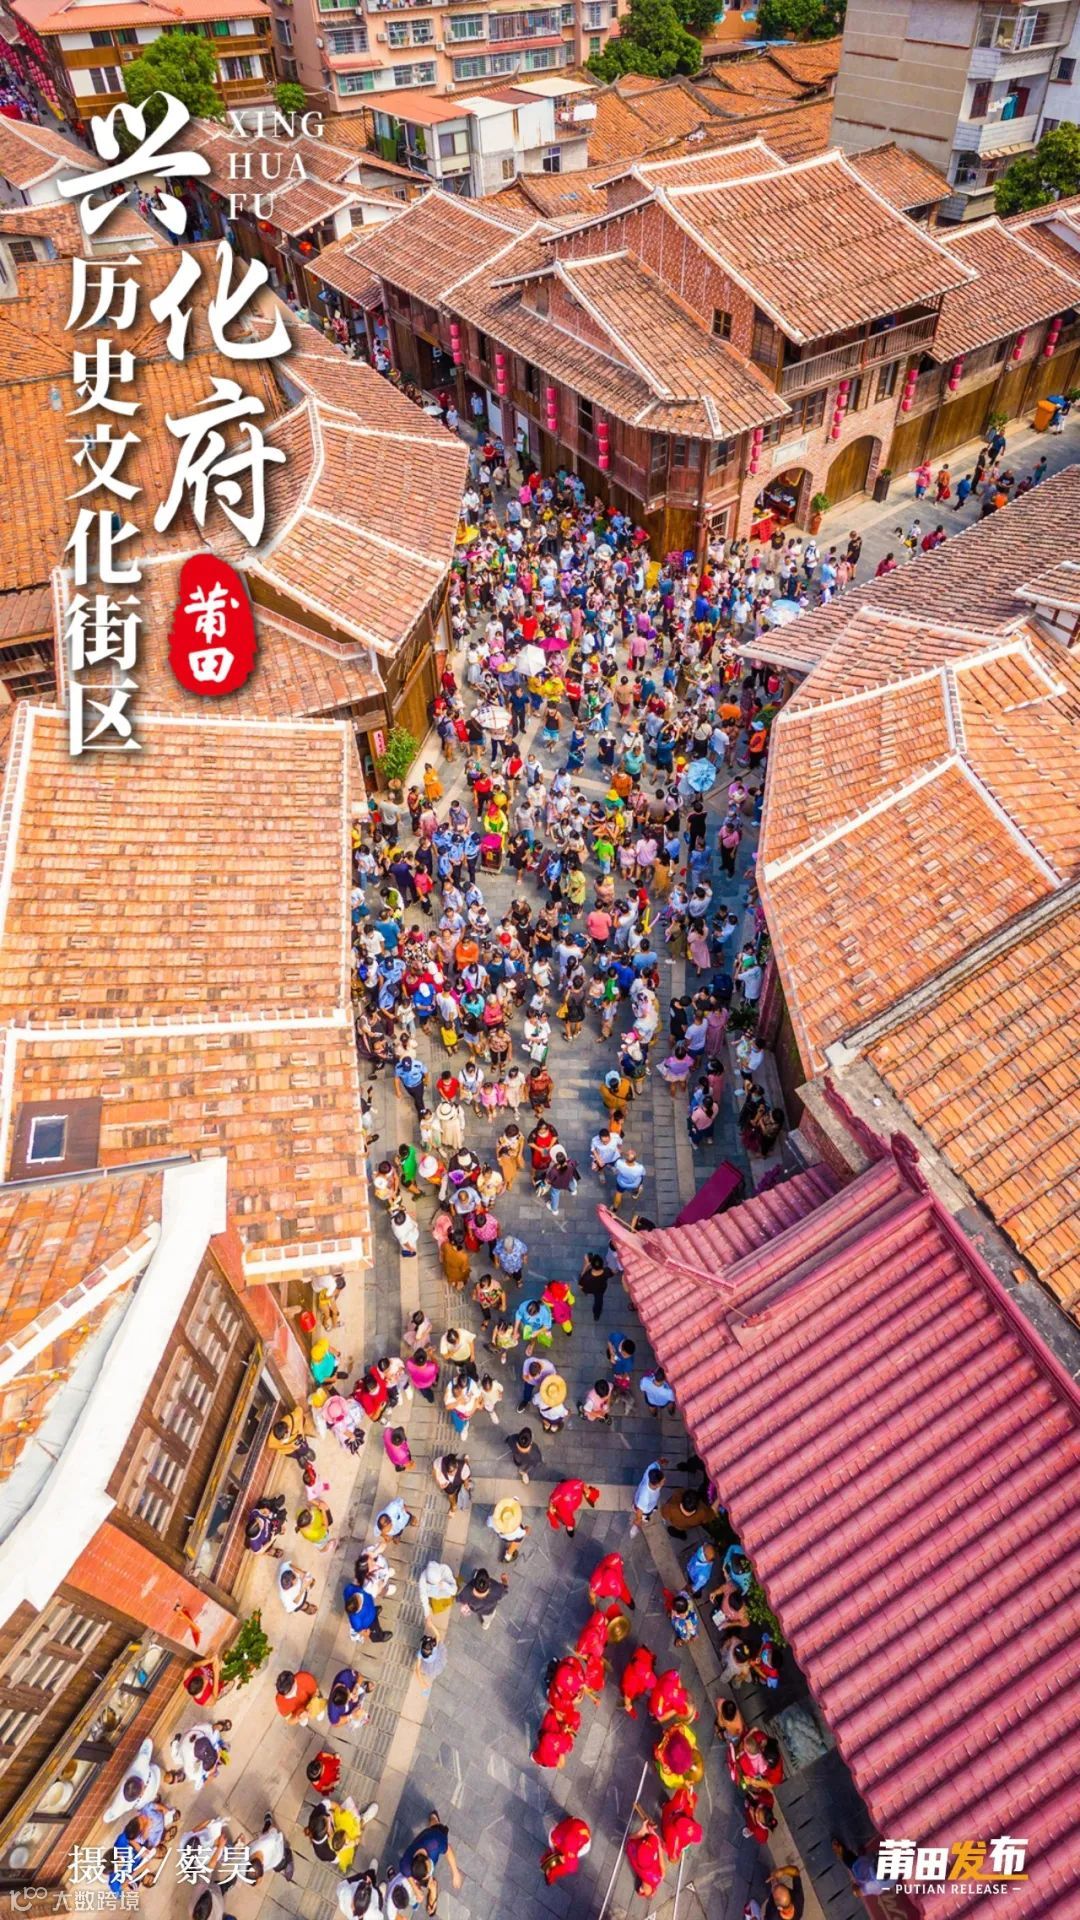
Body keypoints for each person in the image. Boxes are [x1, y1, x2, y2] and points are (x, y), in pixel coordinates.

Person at [540, 1816, 591, 1883]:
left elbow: (572, 1867)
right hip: (577, 1825)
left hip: (579, 1829)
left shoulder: (555, 1839)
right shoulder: (555, 1839)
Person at [457, 1566, 509, 1630]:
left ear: (474, 1583)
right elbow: (504, 1589)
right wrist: (504, 1579)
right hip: (489, 1611)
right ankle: (485, 1626)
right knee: (487, 1619)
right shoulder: (496, 1588)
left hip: (476, 1609)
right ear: (489, 1583)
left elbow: (459, 1598)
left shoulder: (467, 1591)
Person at [631, 1460, 666, 1535]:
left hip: (646, 1500)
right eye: (663, 1481)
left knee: (652, 1505)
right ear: (657, 1484)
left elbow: (657, 1462)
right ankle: (645, 1517)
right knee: (646, 1513)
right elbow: (640, 1511)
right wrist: (638, 1520)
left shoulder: (652, 1468)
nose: (665, 1480)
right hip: (645, 1509)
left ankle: (652, 1507)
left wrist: (662, 1461)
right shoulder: (645, 1497)